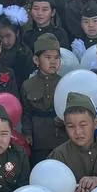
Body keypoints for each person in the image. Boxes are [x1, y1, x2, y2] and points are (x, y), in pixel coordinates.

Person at [21, 35, 64, 165]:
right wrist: (27, 134)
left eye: (56, 58)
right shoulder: (28, 85)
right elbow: (26, 112)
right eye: (48, 57)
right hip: (38, 137)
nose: (53, 62)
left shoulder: (64, 82)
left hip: (61, 137)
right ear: (36, 60)